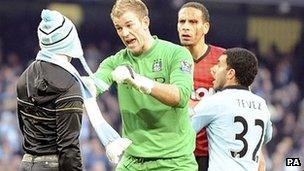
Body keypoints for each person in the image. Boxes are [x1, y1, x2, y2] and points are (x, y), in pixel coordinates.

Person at [17, 9, 131, 171]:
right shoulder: (68, 83)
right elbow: (68, 148)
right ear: (69, 42)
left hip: (26, 164)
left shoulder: (24, 76)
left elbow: (23, 127)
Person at [91, 0, 197, 170]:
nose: (125, 33)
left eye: (129, 25)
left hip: (174, 160)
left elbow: (180, 96)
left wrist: (138, 80)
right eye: (119, 28)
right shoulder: (115, 61)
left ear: (145, 22)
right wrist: (80, 82)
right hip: (133, 161)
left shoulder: (176, 53)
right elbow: (92, 87)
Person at [191, 48, 273, 171]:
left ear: (230, 73)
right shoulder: (261, 104)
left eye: (219, 65)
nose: (213, 70)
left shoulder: (215, 101)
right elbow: (267, 136)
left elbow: (186, 127)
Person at [177, 2, 225, 170]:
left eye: (193, 22)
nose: (186, 27)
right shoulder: (169, 58)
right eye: (182, 22)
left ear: (206, 27)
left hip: (213, 154)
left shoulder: (223, 59)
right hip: (178, 152)